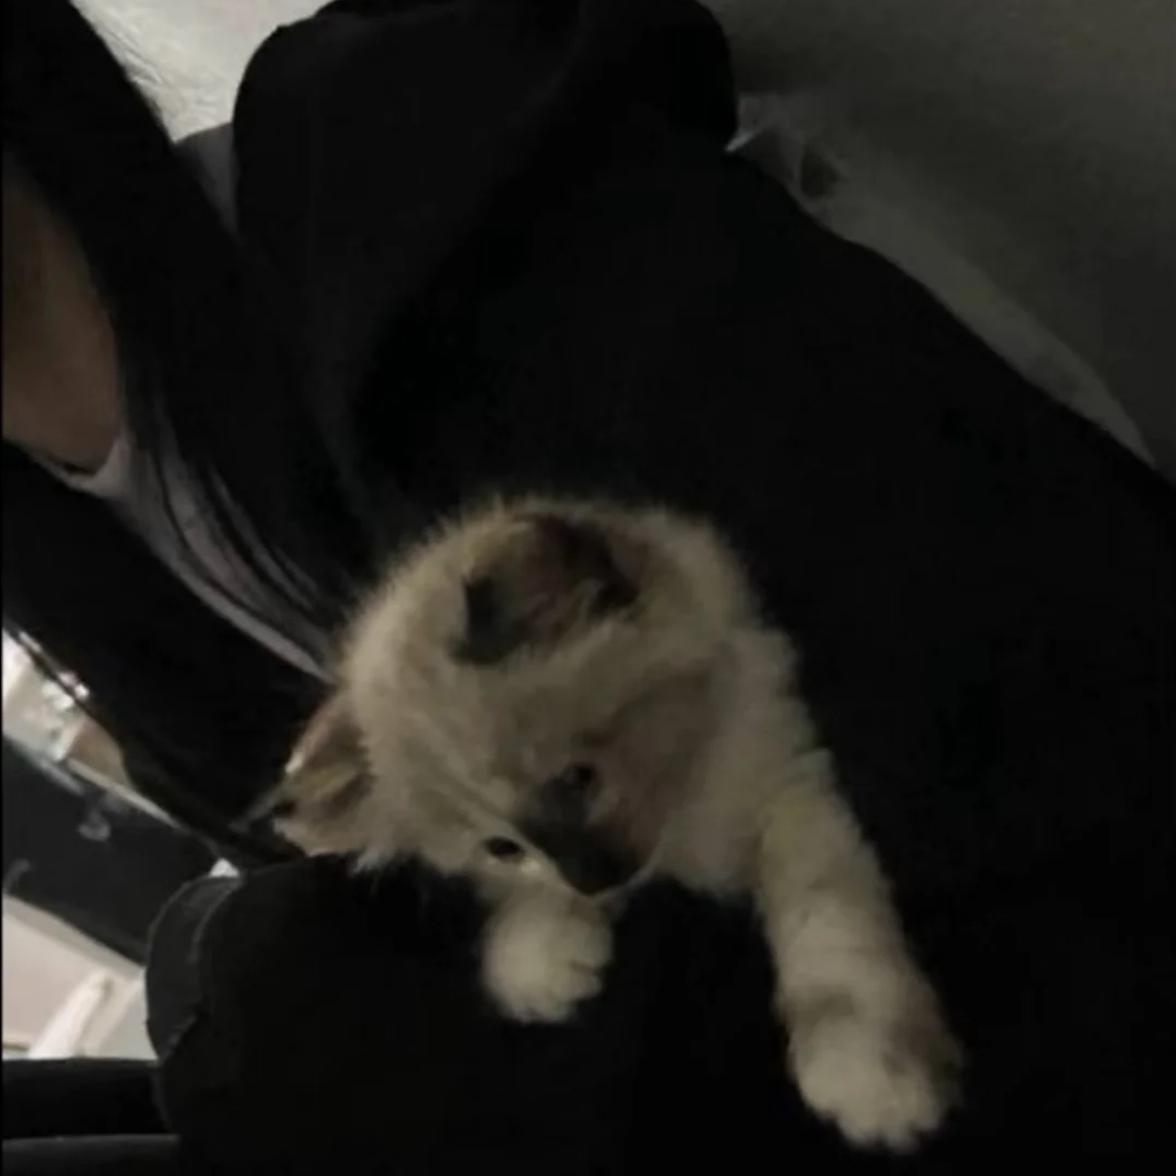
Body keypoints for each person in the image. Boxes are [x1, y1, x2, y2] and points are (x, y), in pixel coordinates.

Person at [3, 0, 1172, 1172]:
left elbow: (1010, 630)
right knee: (212, 987)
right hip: (771, 1025)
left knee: (259, 996)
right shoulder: (122, 622)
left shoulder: (434, 199)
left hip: (1041, 921)